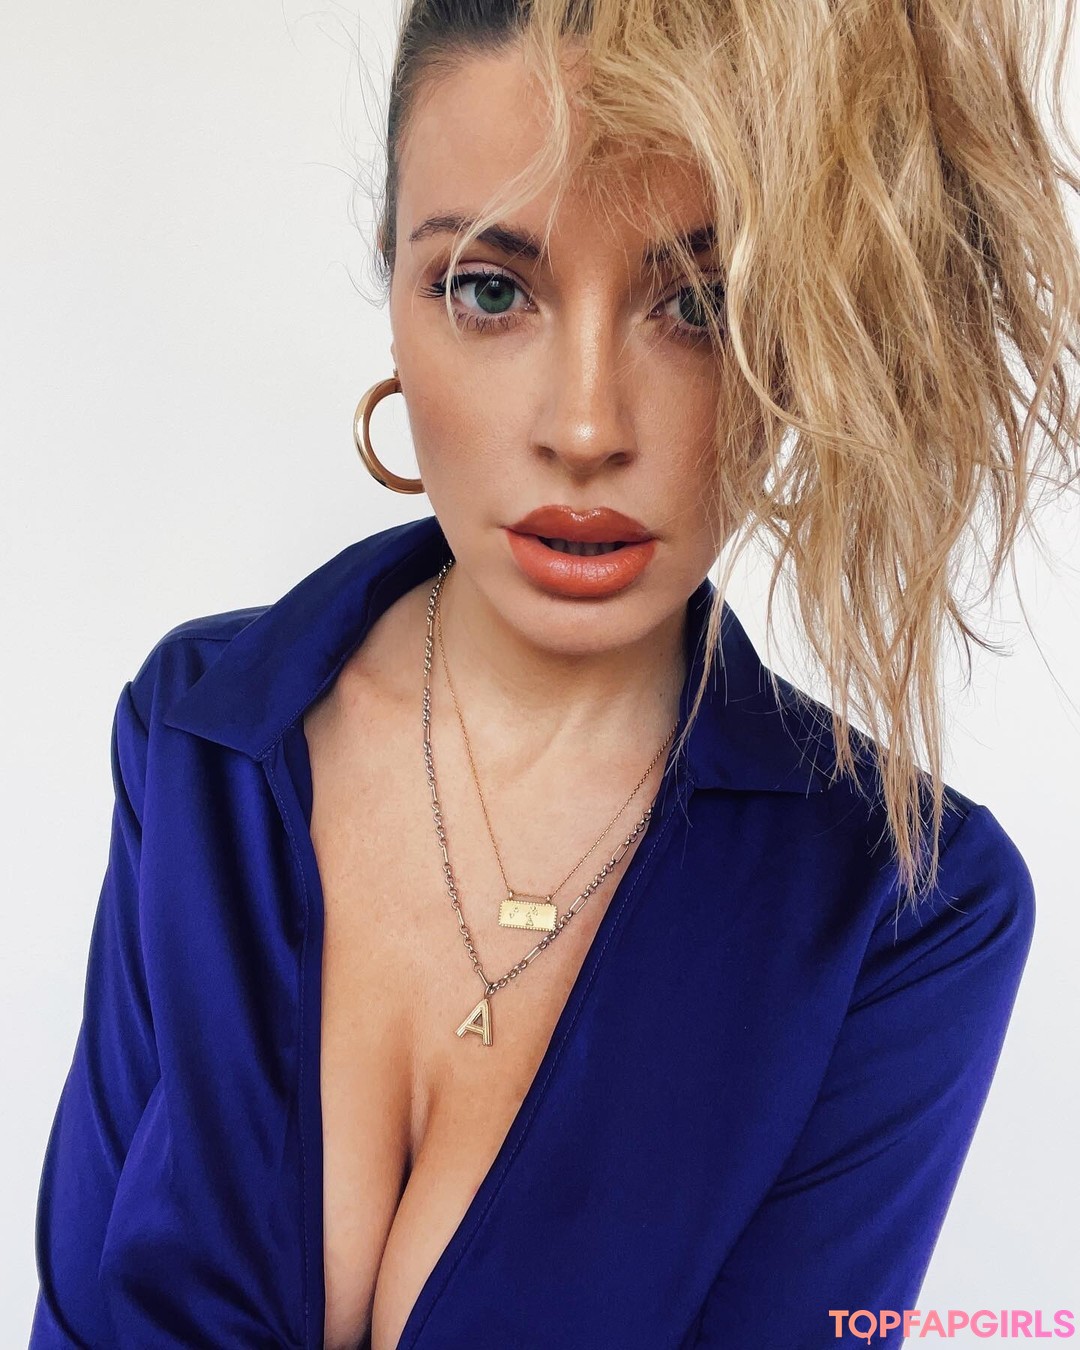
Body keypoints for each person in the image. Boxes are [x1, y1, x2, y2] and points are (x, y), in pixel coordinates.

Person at [28, 0, 1080, 1346]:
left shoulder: (905, 909)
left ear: (802, 336)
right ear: (394, 298)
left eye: (698, 305)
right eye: (490, 289)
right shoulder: (199, 735)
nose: (587, 427)